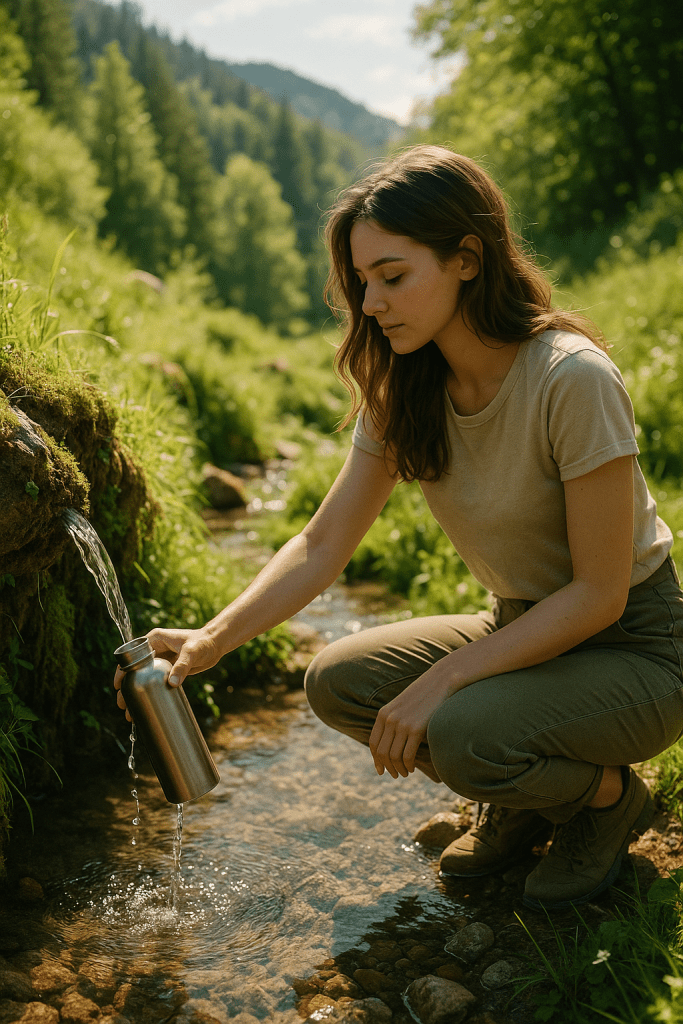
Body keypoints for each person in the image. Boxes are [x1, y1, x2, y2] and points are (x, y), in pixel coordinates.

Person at [115, 145, 683, 910]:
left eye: (392, 276)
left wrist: (445, 678)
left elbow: (599, 594)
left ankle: (607, 801)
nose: (371, 303)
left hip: (639, 652)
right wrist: (213, 639)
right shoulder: (405, 388)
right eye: (361, 283)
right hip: (521, 627)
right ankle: (529, 797)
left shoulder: (568, 378)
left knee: (457, 729)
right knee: (339, 682)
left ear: (466, 260)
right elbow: (321, 544)